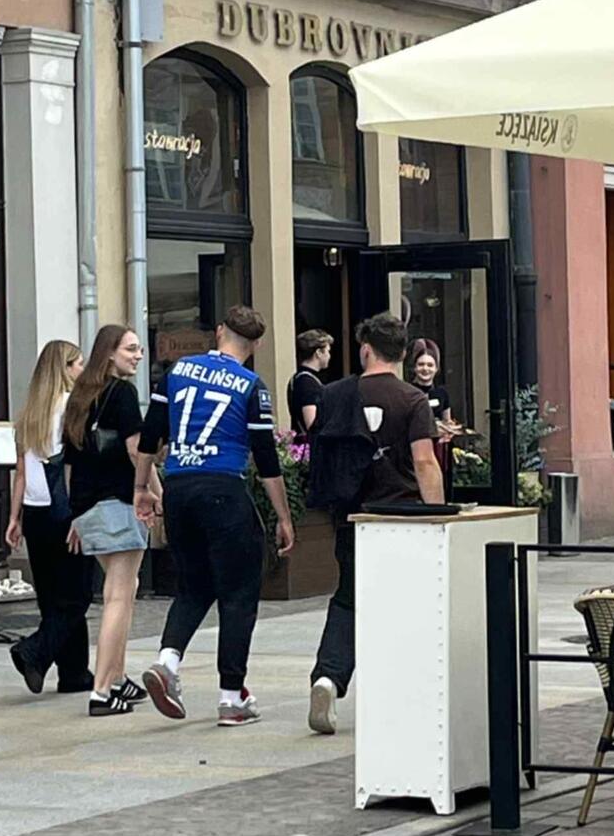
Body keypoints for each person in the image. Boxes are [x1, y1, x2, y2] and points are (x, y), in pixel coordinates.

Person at [135, 305, 296, 727]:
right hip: (224, 487)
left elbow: (150, 435)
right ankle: (230, 696)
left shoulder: (178, 371)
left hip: (179, 487)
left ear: (220, 331)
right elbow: (266, 458)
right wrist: (283, 517)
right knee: (239, 594)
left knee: (193, 585)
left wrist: (141, 488)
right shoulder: (251, 386)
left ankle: (167, 661)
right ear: (256, 345)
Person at [307, 312, 443, 736]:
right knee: (406, 605)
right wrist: (437, 514)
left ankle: (328, 676)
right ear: (402, 354)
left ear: (365, 349)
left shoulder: (333, 395)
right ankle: (400, 691)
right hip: (401, 514)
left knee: (349, 597)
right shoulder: (412, 400)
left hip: (353, 514)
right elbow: (425, 461)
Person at [63, 324, 159, 717]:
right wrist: (153, 492)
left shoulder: (79, 396)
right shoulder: (122, 392)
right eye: (131, 349)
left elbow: (70, 462)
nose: (138, 355)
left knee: (124, 589)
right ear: (110, 353)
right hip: (119, 501)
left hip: (87, 506)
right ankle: (102, 689)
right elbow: (138, 450)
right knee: (119, 595)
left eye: (139, 349)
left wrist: (74, 514)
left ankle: (116, 678)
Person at [6, 340, 92, 695]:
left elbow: (21, 473)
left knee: (52, 596)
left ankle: (74, 672)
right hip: (64, 510)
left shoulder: (29, 414)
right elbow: (74, 466)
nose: (82, 370)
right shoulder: (73, 408)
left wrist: (14, 518)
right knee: (77, 596)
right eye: (78, 364)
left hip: (34, 512)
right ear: (64, 368)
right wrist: (79, 513)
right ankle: (34, 651)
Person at [408, 338, 460, 436]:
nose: (425, 368)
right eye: (421, 364)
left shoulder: (442, 393)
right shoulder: (408, 392)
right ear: (414, 367)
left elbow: (447, 421)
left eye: (430, 365)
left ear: (436, 368)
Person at [287, 329, 333, 438]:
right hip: (309, 445)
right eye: (327, 351)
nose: (329, 356)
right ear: (318, 353)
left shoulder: (298, 378)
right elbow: (312, 424)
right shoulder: (307, 383)